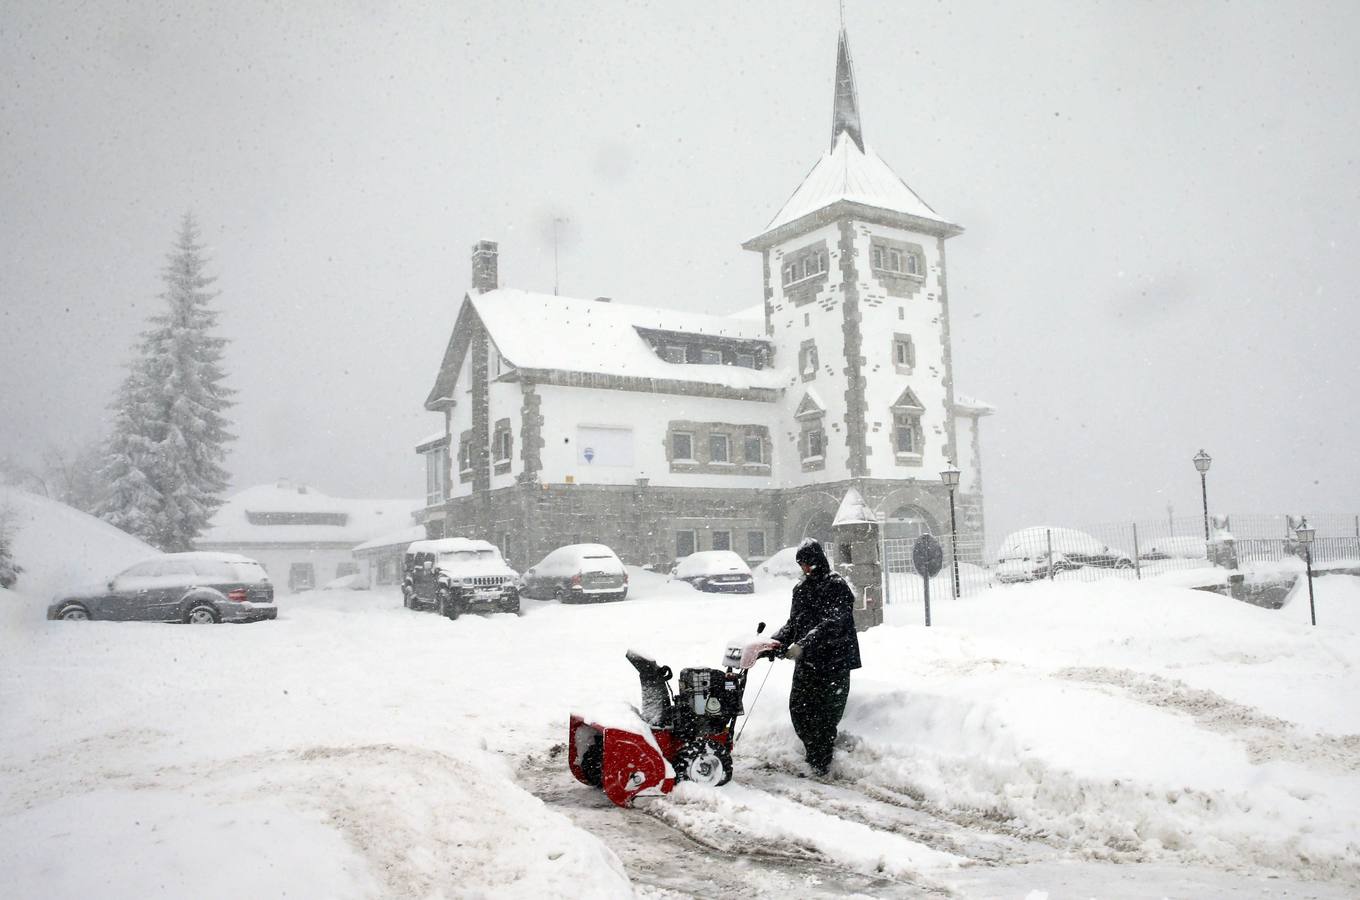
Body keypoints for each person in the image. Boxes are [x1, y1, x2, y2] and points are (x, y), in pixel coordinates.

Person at [770, 539, 861, 775]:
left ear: (819, 560)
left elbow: (833, 623)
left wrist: (803, 644)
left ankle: (821, 762)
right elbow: (795, 623)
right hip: (808, 661)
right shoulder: (801, 590)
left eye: (809, 564)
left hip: (834, 660)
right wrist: (775, 642)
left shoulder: (837, 586)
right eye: (801, 565)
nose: (806, 569)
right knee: (799, 709)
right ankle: (814, 755)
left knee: (825, 714)